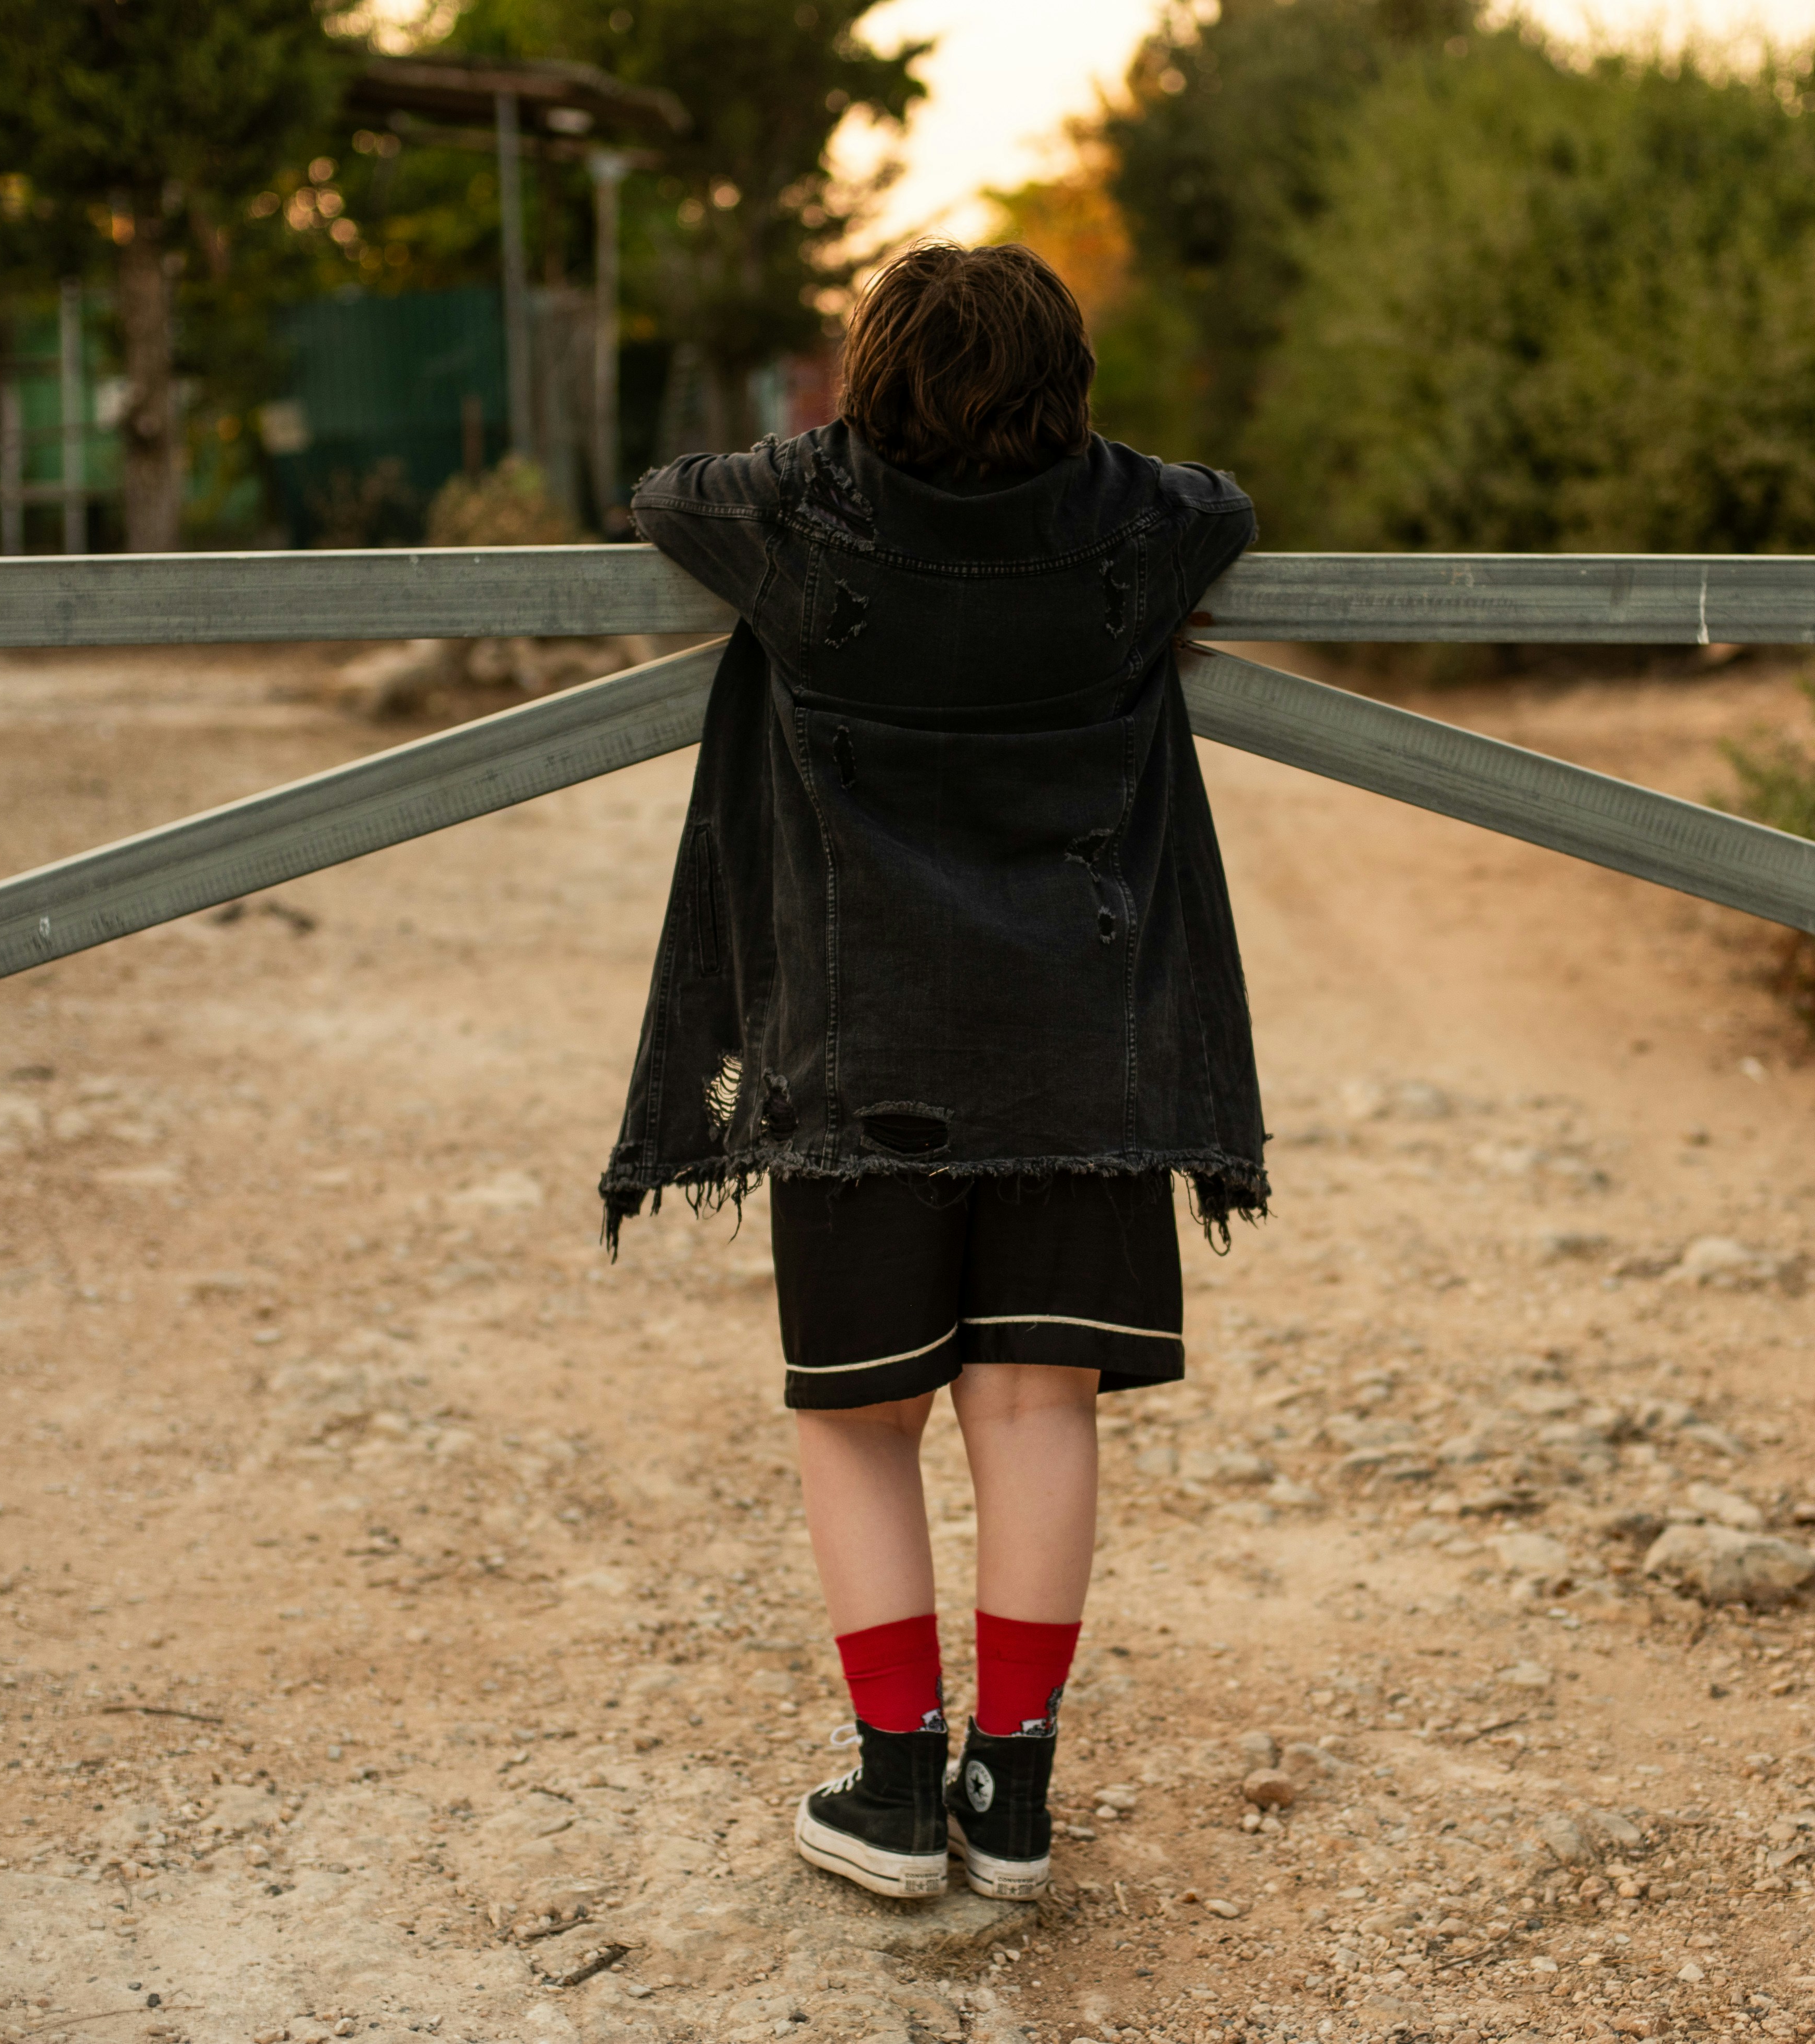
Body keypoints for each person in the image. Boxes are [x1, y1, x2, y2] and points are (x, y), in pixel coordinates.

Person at [599, 242, 1267, 1902]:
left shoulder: (802, 526)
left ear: (869, 380)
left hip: (861, 1043)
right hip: (1082, 1050)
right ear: (1071, 393)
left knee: (860, 1420)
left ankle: (897, 1790)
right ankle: (1016, 1795)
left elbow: (662, 490)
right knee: (1036, 1407)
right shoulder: (1134, 533)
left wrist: (832, 452)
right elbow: (1220, 502)